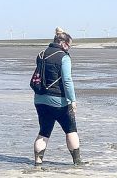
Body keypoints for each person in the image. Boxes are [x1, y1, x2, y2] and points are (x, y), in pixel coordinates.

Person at [33, 27, 81, 166]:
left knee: (44, 132)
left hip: (40, 99)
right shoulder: (64, 57)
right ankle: (77, 162)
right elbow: (67, 80)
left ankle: (38, 162)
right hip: (59, 101)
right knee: (71, 130)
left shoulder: (41, 54)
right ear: (63, 43)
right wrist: (72, 100)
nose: (69, 49)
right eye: (69, 46)